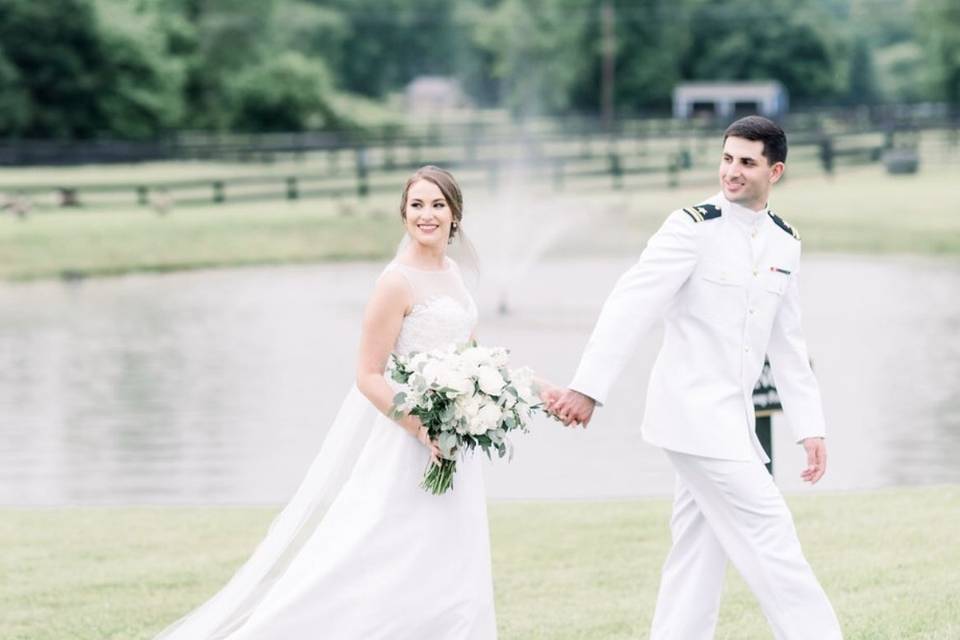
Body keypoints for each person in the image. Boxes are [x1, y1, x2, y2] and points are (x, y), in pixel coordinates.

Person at [155, 165, 538, 639]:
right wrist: (422, 427)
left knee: (451, 553)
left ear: (455, 214)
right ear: (403, 215)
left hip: (454, 445)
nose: (427, 215)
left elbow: (474, 355)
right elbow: (368, 375)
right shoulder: (396, 282)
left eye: (438, 205)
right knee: (376, 548)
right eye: (417, 205)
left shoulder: (455, 274)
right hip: (406, 442)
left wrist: (522, 392)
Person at [549, 116, 843, 639]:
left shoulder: (785, 241)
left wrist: (810, 427)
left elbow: (788, 345)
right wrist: (587, 387)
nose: (732, 171)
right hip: (691, 416)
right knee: (772, 535)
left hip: (734, 422)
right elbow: (630, 305)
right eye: (727, 158)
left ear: (775, 171)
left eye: (747, 162)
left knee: (697, 550)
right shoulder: (691, 226)